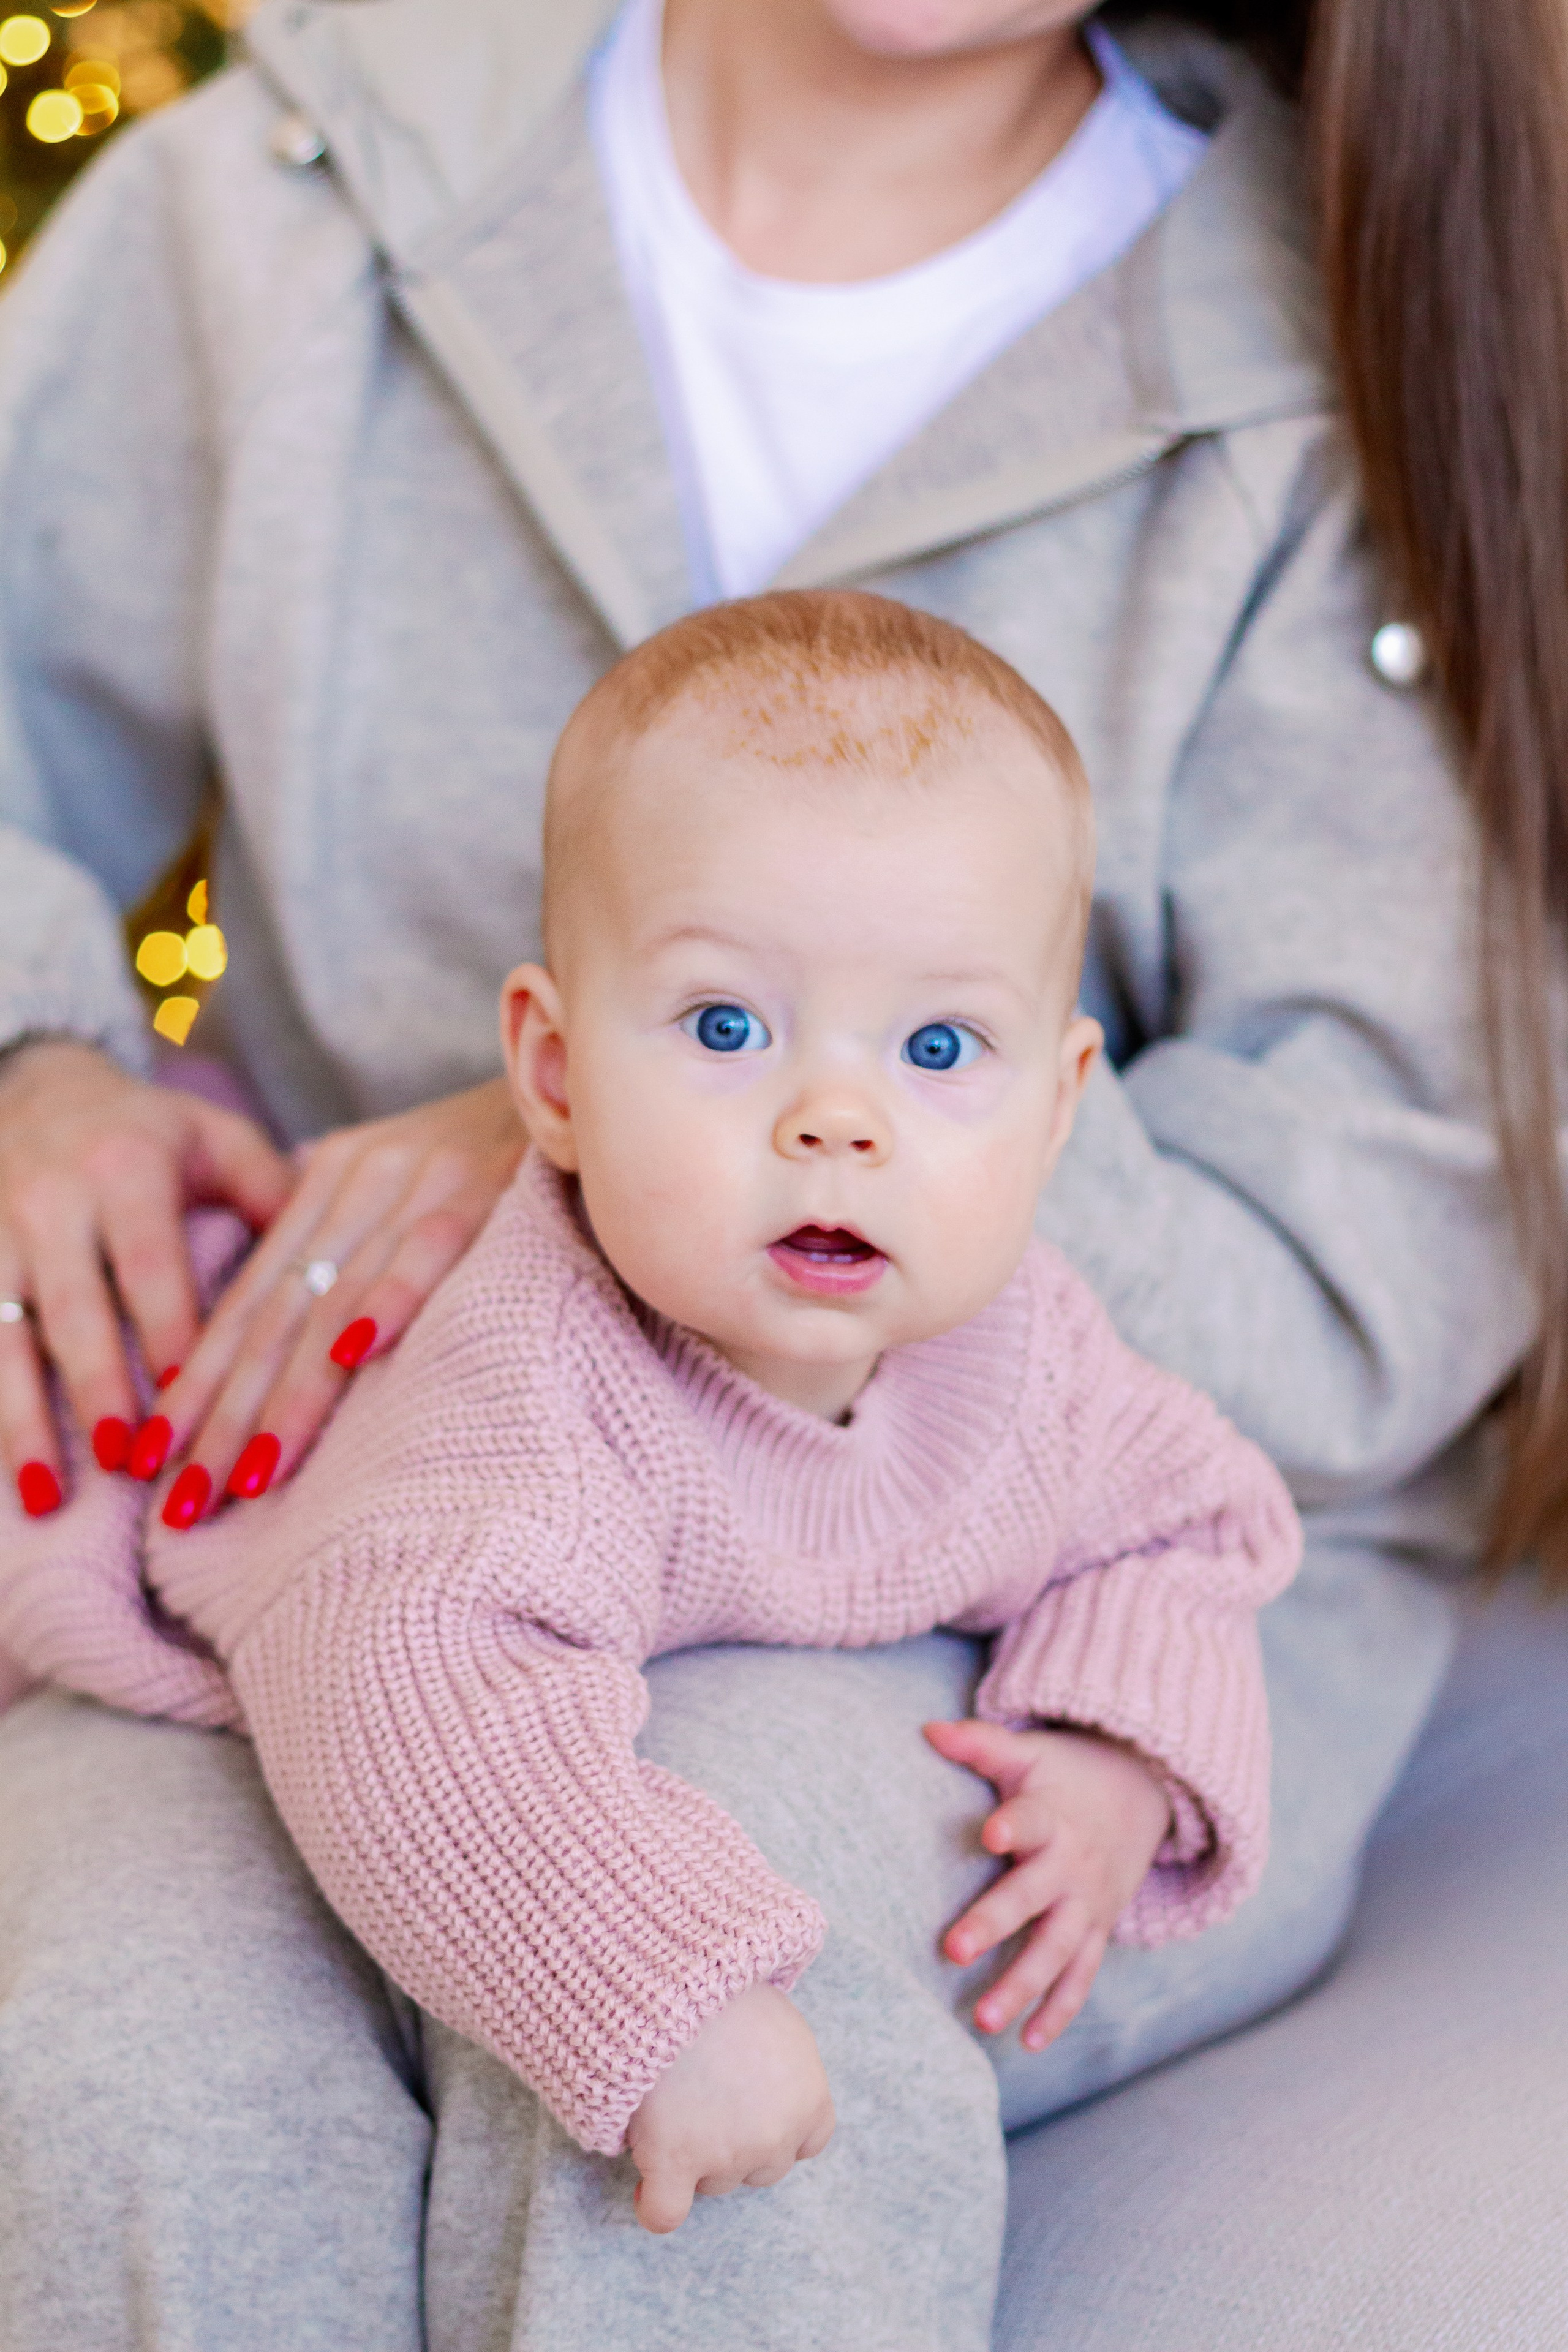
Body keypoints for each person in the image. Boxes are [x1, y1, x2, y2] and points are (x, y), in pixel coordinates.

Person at [0, 0, 1564, 2346]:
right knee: (139, 2033)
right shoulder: (302, 178)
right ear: (551, 1054)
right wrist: (38, 1063)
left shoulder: (1339, 349)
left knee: (717, 1967)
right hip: (364, 1466)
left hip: (1008, 1524)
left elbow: (1360, 1273)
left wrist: (693, 1124)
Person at [2, 592, 1303, 2288]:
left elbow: (1195, 1529)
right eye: (724, 1027)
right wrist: (660, 1998)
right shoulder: (539, 1369)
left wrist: (1121, 1755)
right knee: (167, 2040)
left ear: (1060, 1104)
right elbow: (397, 1673)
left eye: (935, 1049)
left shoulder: (1033, 1353)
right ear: (548, 1071)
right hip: (160, 1567)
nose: (834, 1119)